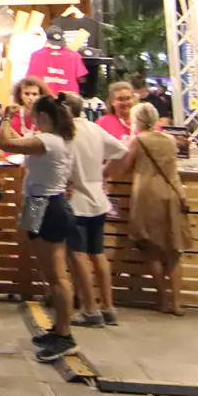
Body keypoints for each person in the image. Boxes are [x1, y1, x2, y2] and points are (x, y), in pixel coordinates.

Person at [0, 94, 79, 363]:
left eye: (34, 116)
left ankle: (65, 335)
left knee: (57, 275)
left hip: (49, 205)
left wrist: (6, 117)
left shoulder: (49, 141)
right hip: (37, 203)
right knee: (48, 272)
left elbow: (5, 142)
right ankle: (58, 330)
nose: (32, 120)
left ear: (43, 116)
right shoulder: (53, 138)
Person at [112, 101, 193, 314]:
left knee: (152, 250)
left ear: (136, 120)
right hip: (172, 194)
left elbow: (123, 167)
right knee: (173, 251)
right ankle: (177, 303)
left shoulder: (137, 141)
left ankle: (163, 299)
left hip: (147, 195)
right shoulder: (169, 139)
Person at [62, 92, 128, 329]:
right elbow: (122, 151)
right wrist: (104, 174)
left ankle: (90, 309)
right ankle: (108, 307)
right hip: (98, 199)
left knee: (77, 255)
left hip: (76, 200)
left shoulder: (65, 134)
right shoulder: (95, 129)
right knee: (97, 253)